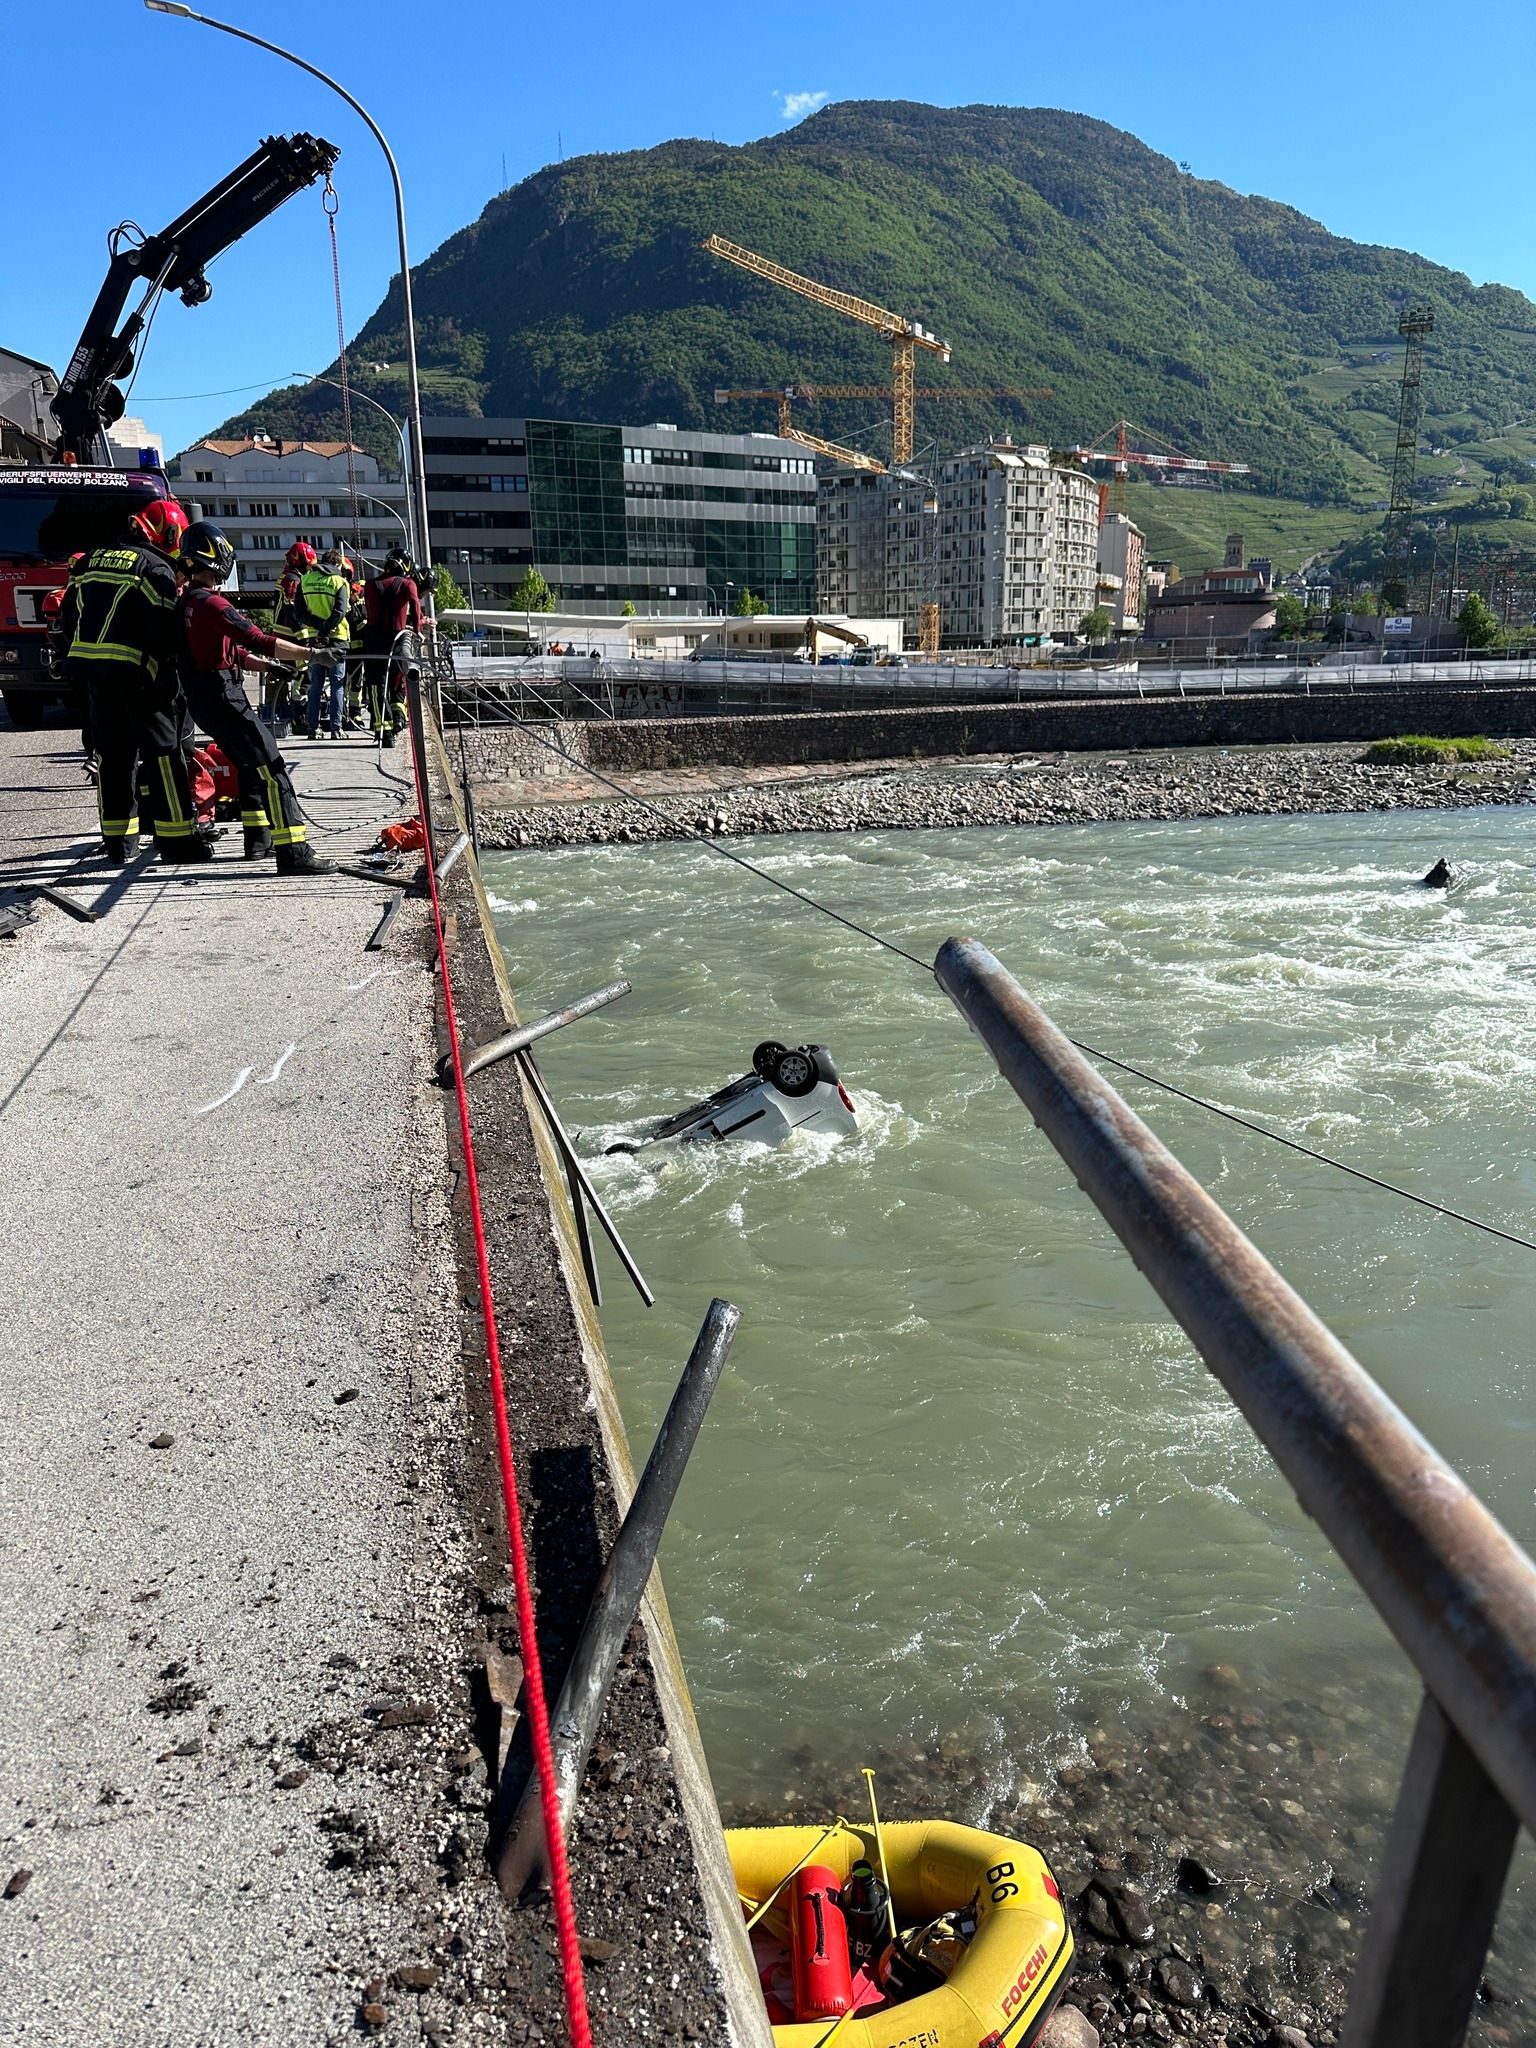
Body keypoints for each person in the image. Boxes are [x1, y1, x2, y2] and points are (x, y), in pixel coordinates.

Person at [173, 521, 333, 877]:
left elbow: (233, 652)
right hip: (224, 698)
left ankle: (257, 840)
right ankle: (294, 852)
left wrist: (269, 667)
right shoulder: (213, 605)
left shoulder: (188, 603)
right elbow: (258, 638)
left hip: (207, 699)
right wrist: (312, 655)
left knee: (249, 765)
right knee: (272, 767)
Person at [61, 497, 209, 865]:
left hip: (94, 676)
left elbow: (67, 620)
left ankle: (118, 844)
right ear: (168, 534)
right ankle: (177, 842)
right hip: (140, 676)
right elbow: (164, 631)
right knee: (164, 755)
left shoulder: (89, 560)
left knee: (113, 757)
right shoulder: (154, 568)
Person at [362, 547, 422, 747]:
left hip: (372, 640)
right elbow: (415, 607)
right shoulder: (407, 584)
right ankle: (398, 719)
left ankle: (383, 731)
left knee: (376, 685)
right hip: (396, 639)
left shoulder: (370, 585)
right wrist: (418, 630)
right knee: (397, 681)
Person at [298, 545, 351, 738]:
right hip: (336, 638)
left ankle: (313, 728)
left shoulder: (305, 580)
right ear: (337, 563)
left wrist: (319, 629)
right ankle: (336, 728)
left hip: (314, 638)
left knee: (316, 685)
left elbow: (300, 612)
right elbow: (340, 611)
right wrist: (327, 629)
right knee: (337, 683)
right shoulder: (339, 582)